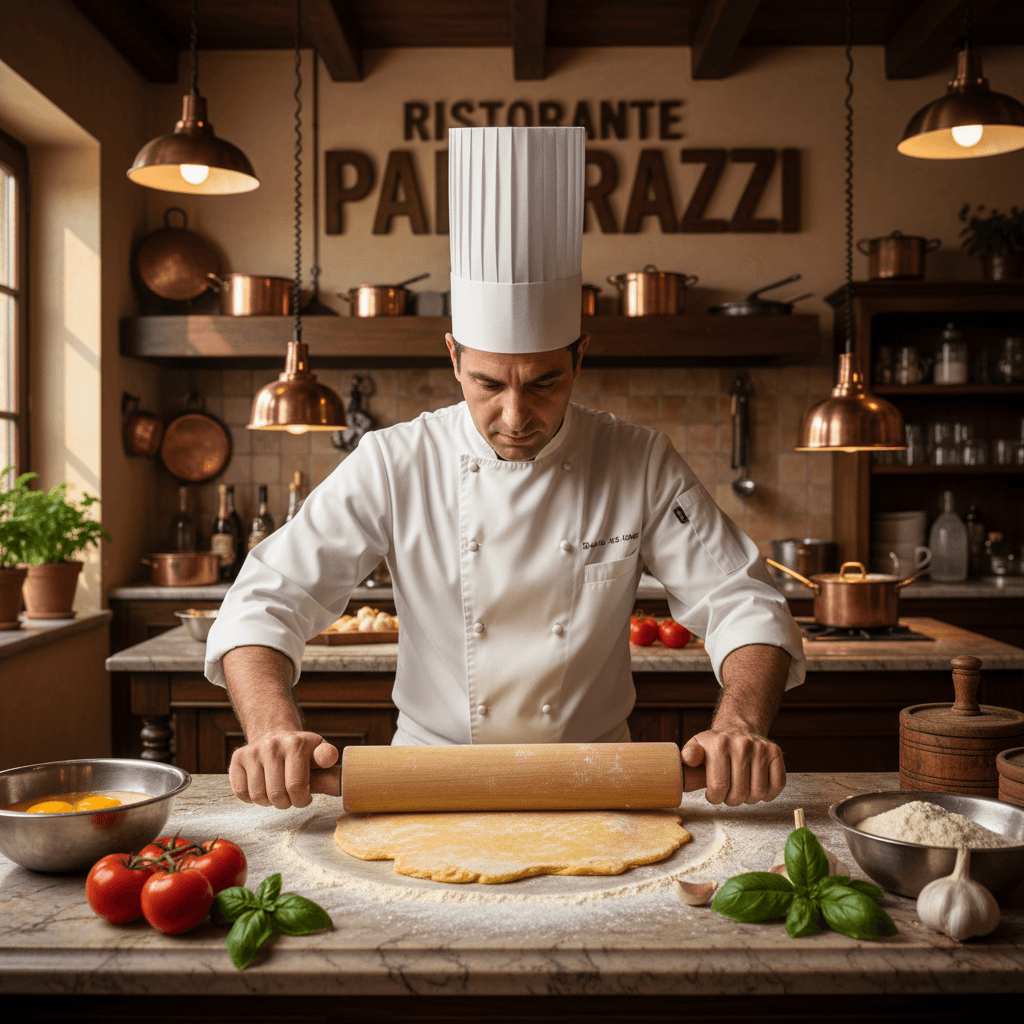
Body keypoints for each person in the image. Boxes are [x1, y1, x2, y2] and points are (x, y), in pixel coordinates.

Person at [206, 126, 806, 812]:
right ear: (453, 358)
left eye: (545, 382)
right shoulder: (396, 461)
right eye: (490, 383)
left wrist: (738, 726)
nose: (516, 414)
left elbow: (743, 602)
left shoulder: (639, 462)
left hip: (598, 787)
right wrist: (273, 730)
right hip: (428, 787)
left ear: (580, 358)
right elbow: (266, 599)